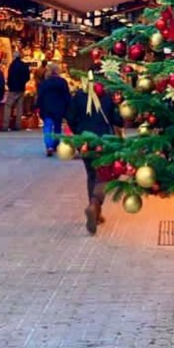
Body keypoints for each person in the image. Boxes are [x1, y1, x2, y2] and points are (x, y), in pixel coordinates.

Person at [66, 79, 123, 235]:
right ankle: (94, 204)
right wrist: (119, 105)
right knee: (104, 176)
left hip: (85, 139)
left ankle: (96, 213)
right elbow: (118, 120)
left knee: (91, 174)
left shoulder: (79, 95)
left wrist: (78, 132)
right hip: (104, 140)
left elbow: (70, 117)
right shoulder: (106, 95)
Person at [36, 62, 71, 156]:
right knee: (57, 127)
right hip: (59, 108)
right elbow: (67, 96)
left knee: (47, 127)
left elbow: (40, 96)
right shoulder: (62, 82)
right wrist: (69, 107)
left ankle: (49, 145)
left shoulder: (44, 83)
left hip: (47, 107)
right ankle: (55, 144)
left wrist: (37, 106)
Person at [4, 52, 30, 131]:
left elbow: (9, 77)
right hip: (21, 88)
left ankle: (5, 125)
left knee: (8, 106)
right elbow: (27, 77)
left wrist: (9, 85)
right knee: (19, 107)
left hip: (13, 89)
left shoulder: (12, 66)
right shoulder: (24, 66)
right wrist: (23, 82)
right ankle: (18, 125)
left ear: (14, 57)